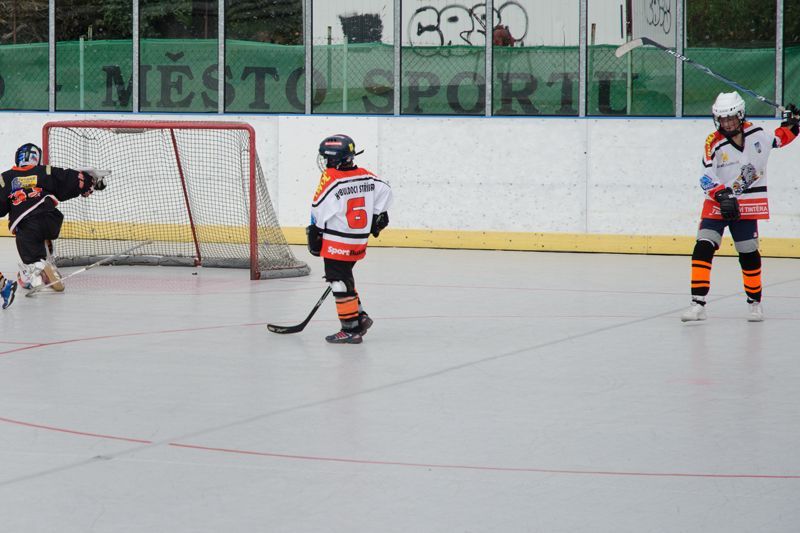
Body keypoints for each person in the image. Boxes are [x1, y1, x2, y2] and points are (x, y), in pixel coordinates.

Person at [681, 92, 799, 322]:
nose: (726, 123)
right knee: (703, 247)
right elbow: (705, 176)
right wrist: (721, 194)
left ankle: (754, 303)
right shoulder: (713, 142)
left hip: (747, 203)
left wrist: (793, 124)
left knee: (748, 252)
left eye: (730, 118)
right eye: (722, 119)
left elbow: (779, 139)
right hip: (718, 202)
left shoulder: (757, 134)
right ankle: (698, 304)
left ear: (740, 115)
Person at [307, 134, 393, 344]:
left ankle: (350, 330)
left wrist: (316, 233)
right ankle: (360, 317)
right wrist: (377, 215)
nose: (325, 162)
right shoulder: (366, 176)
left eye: (327, 158)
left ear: (334, 159)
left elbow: (318, 208)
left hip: (337, 240)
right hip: (358, 241)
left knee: (338, 282)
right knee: (345, 278)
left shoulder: (331, 178)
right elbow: (386, 191)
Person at [0, 143, 106, 292]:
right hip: (52, 219)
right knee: (43, 235)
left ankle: (34, 273)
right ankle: (49, 262)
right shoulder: (46, 171)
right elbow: (70, 179)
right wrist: (91, 182)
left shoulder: (5, 178)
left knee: (28, 246)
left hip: (27, 224)